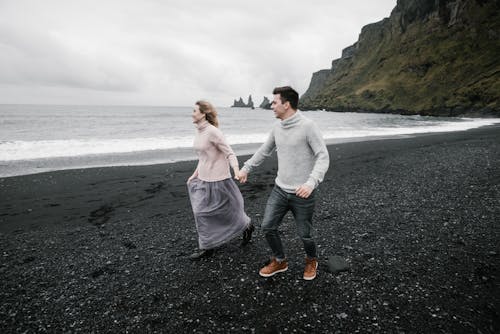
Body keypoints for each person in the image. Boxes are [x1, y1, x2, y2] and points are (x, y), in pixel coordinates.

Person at [238, 86, 329, 280]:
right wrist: (246, 168)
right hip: (280, 189)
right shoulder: (277, 128)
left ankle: (311, 260)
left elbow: (323, 157)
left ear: (286, 104)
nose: (271, 106)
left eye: (274, 102)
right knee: (268, 227)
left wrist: (311, 183)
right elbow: (264, 150)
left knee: (305, 234)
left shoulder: (308, 126)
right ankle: (280, 260)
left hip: (303, 192)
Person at [187, 100, 254, 260]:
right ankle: (207, 247)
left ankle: (247, 225)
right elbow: (203, 157)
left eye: (195, 111)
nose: (192, 113)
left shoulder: (213, 132)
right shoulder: (199, 131)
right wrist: (195, 174)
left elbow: (229, 153)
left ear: (203, 113)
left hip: (218, 180)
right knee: (200, 212)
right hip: (203, 179)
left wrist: (236, 170)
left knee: (227, 212)